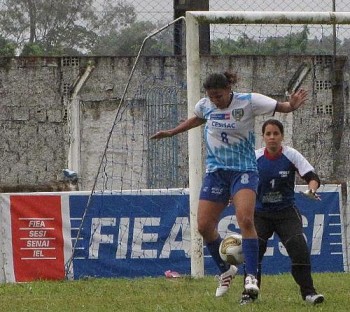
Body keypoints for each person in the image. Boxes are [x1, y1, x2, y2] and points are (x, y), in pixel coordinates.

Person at [150, 72, 308, 299]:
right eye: (211, 97)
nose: (216, 100)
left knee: (245, 219)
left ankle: (251, 277)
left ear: (229, 89)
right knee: (204, 226)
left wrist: (291, 105)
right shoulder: (205, 105)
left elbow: (282, 106)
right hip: (216, 173)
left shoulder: (248, 101)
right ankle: (226, 270)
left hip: (243, 170)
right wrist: (172, 132)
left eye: (219, 96)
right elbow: (198, 117)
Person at [240, 119, 324, 305]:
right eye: (268, 134)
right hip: (260, 213)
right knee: (254, 251)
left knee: (299, 248)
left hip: (286, 213)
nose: (272, 137)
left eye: (275, 134)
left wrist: (312, 189)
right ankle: (249, 295)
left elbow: (312, 177)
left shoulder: (291, 155)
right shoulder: (254, 158)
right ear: (263, 137)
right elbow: (241, 180)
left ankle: (309, 294)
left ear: (282, 136)